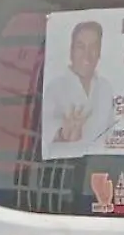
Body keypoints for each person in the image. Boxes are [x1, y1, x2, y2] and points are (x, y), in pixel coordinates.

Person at [41, 20, 116, 157]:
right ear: (71, 51)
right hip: (64, 173)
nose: (87, 55)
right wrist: (63, 134)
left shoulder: (106, 88)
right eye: (81, 47)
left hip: (100, 170)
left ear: (99, 52)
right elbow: (43, 132)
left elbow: (112, 135)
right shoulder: (54, 88)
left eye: (93, 48)